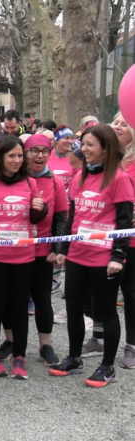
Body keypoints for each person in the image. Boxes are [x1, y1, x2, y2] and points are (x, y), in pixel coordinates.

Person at [49, 125, 134, 387]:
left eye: (89, 145)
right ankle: (75, 358)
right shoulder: (80, 177)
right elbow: (73, 218)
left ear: (106, 149)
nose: (82, 149)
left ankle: (107, 367)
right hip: (77, 255)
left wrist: (117, 257)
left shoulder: (119, 179)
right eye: (82, 144)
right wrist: (64, 249)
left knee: (106, 312)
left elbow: (124, 223)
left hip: (103, 258)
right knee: (74, 309)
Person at [0, 135, 47, 379]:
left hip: (24, 257)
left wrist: (41, 209)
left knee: (19, 307)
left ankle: (19, 356)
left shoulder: (29, 182)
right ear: (0, 157)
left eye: (19, 155)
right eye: (11, 155)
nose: (17, 160)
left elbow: (34, 220)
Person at [0, 134, 67, 367]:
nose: (39, 156)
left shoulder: (55, 182)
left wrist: (57, 248)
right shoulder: (13, 179)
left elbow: (60, 217)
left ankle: (45, 345)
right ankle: (10, 341)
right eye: (34, 151)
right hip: (14, 249)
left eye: (45, 151)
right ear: (25, 153)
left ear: (50, 153)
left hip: (41, 250)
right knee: (12, 299)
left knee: (42, 299)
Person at [112, 111, 135, 369]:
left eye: (124, 123)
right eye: (115, 121)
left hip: (131, 239)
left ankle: (132, 344)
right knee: (101, 292)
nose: (117, 126)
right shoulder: (108, 157)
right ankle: (98, 338)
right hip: (106, 235)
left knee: (131, 292)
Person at [48, 126, 75, 191]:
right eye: (66, 138)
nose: (70, 141)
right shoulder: (47, 155)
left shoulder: (74, 157)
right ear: (57, 140)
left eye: (71, 138)